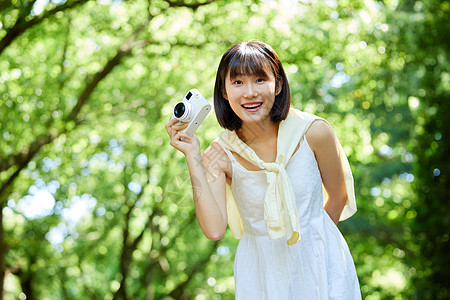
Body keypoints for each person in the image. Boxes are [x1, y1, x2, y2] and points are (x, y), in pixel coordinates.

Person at [165, 41, 361, 299]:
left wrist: (312, 246)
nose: (249, 92)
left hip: (323, 267)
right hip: (260, 276)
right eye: (237, 83)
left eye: (260, 80)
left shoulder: (314, 131)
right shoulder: (219, 153)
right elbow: (213, 230)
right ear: (223, 91)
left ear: (278, 85)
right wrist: (192, 157)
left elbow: (338, 197)